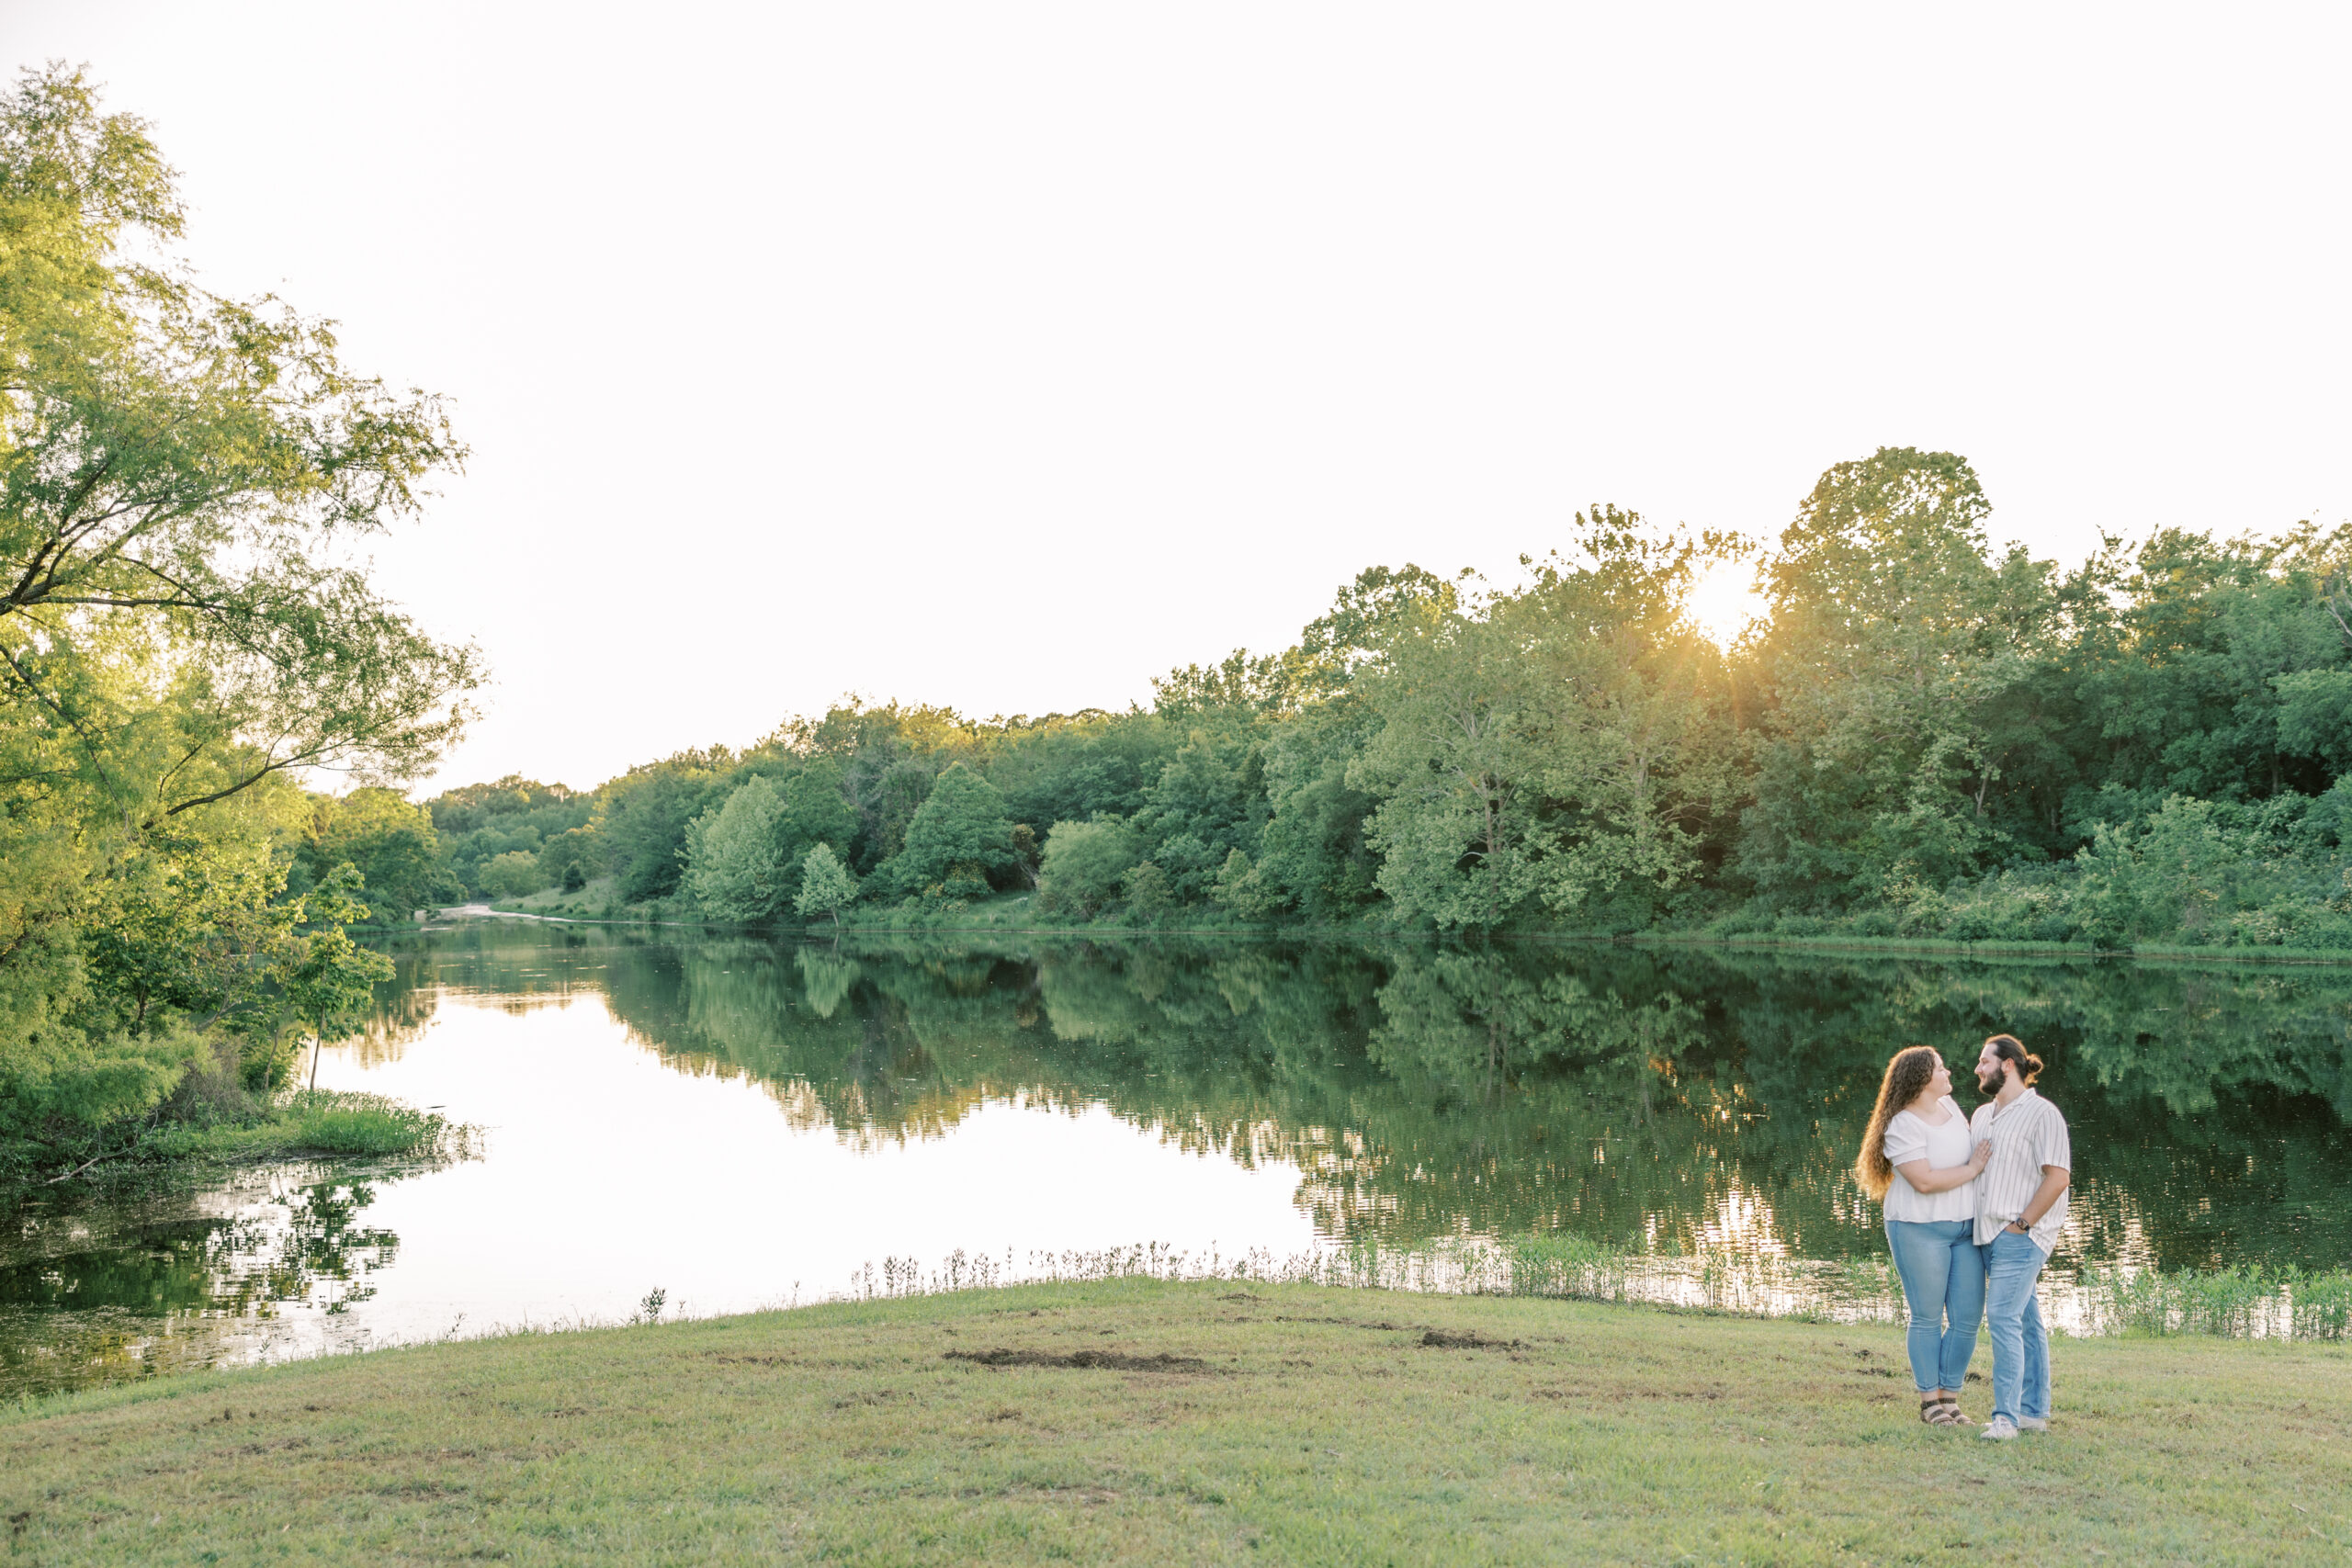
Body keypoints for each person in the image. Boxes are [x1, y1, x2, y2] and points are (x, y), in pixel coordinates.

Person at [1853, 1045, 1993, 1427]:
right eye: (1941, 1068)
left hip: (1964, 1228)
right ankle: (1929, 1401)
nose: (1949, 1073)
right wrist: (1974, 1168)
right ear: (1921, 1079)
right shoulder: (1902, 1124)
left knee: (1967, 1318)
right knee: (1928, 1317)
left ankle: (1950, 1398)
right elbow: (1925, 1181)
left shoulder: (1950, 1108)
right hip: (1918, 1228)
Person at [1969, 1032, 2072, 1442]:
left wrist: (2024, 1225)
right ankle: (2033, 1413)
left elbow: (2058, 1176)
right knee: (2026, 1319)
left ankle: (2006, 1419)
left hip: (2020, 1234)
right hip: (1985, 1233)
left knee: (2003, 1318)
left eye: (1983, 1061)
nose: (1977, 1069)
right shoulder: (1980, 1115)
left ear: (2007, 1064)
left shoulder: (2042, 1114)